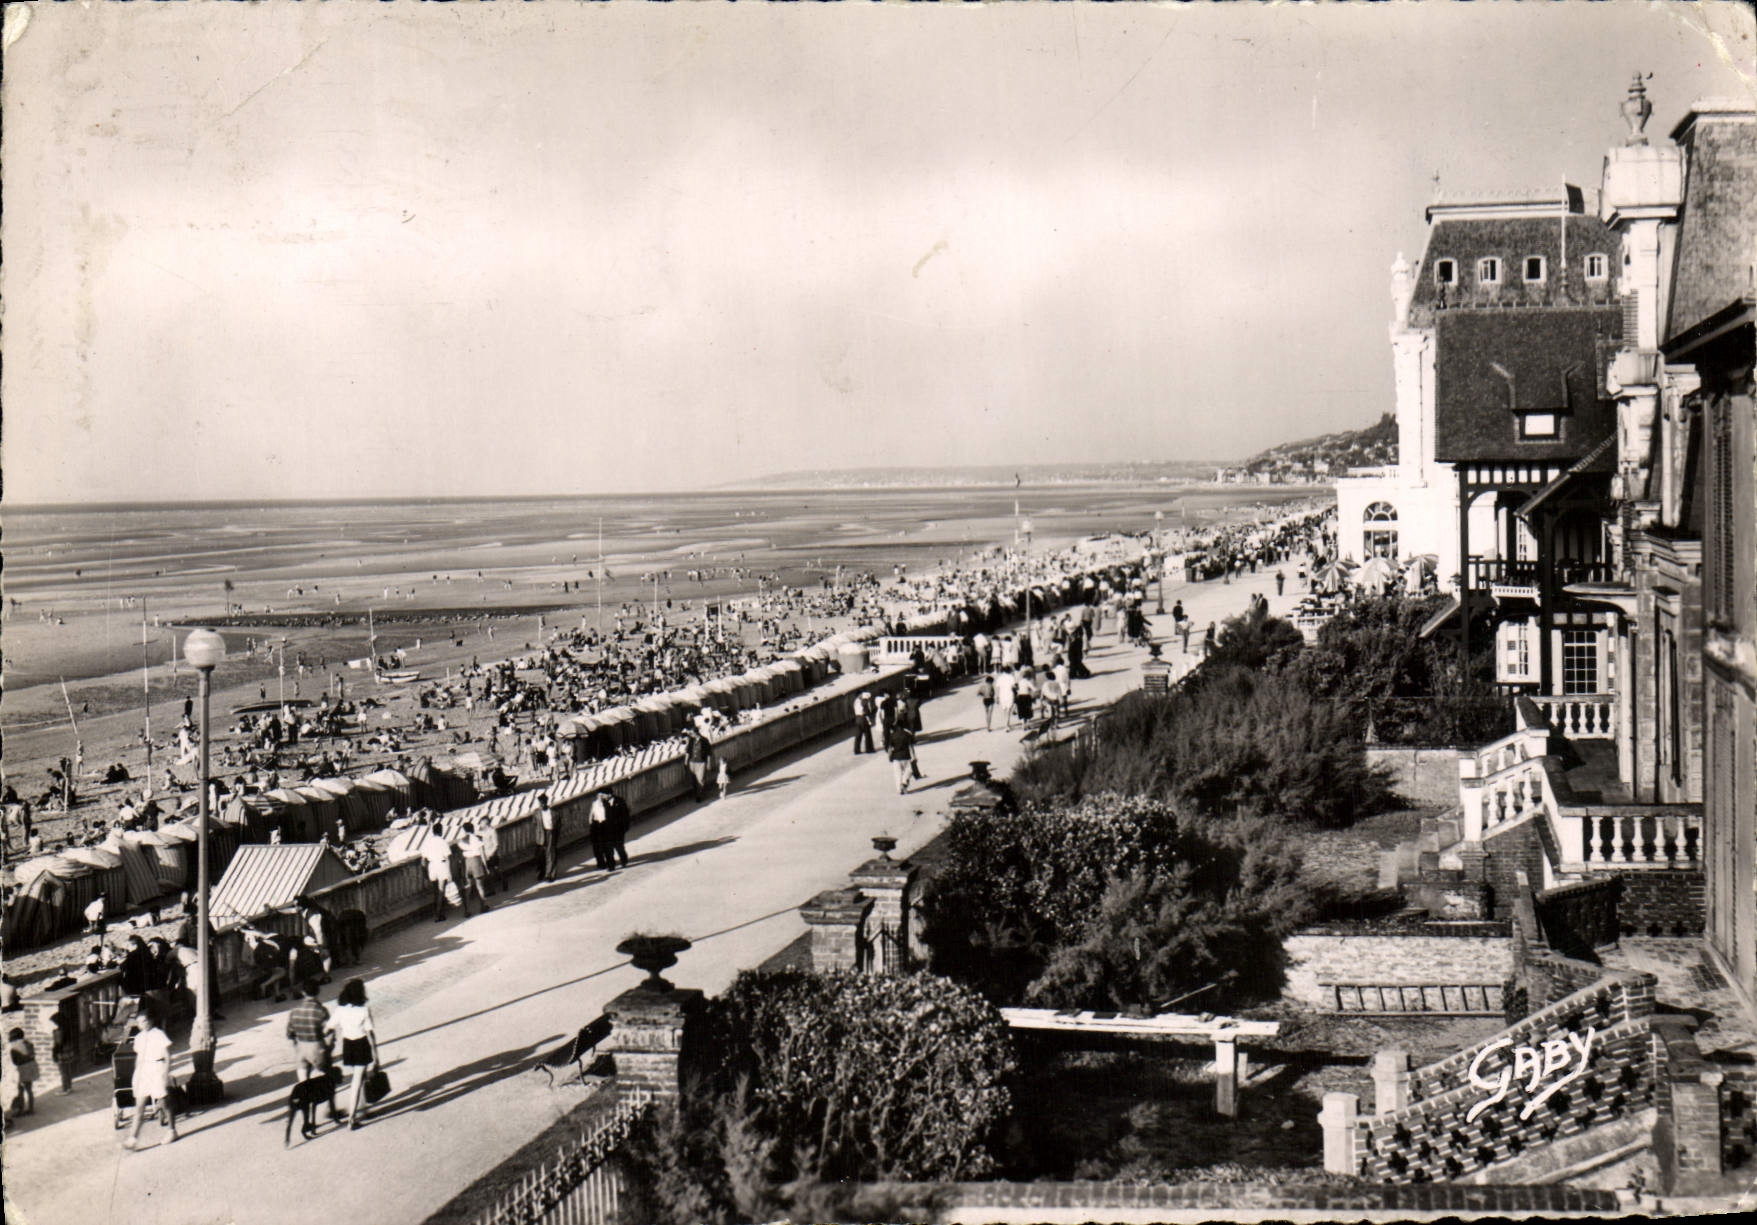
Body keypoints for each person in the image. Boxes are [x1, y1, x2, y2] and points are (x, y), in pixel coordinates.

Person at [285, 980, 340, 1127]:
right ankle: (331, 1110)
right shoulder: (320, 1011)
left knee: (304, 1085)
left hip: (301, 1048)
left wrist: (297, 1046)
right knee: (329, 1081)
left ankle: (307, 1120)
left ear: (303, 993)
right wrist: (329, 1048)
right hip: (317, 1047)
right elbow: (328, 1032)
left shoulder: (294, 1012)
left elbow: (290, 1033)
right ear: (317, 992)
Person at [124, 1005, 179, 1149]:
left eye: (145, 1021)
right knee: (139, 1106)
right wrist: (136, 1076)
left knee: (164, 1102)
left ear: (151, 1021)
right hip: (143, 1071)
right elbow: (139, 1058)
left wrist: (164, 1074)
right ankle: (133, 1138)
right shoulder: (138, 1038)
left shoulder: (159, 1034)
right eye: (140, 1022)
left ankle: (172, 1131)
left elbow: (167, 1056)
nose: (143, 1024)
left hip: (157, 1069)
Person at [331, 978, 381, 1130]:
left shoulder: (340, 1009)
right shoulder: (364, 1010)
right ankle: (352, 1118)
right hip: (361, 1045)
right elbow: (370, 1034)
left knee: (359, 1078)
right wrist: (377, 1056)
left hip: (348, 1046)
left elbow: (329, 1026)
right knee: (357, 1082)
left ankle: (363, 1110)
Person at [422, 824, 455, 921]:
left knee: (436, 891)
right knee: (441, 891)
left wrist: (424, 872)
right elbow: (448, 858)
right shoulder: (443, 842)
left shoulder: (427, 843)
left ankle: (437, 911)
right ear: (441, 831)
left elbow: (423, 860)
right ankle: (438, 913)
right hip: (441, 865)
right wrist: (449, 872)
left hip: (431, 866)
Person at [457, 823, 492, 912]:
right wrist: (486, 866)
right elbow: (482, 854)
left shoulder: (461, 841)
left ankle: (467, 910)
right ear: (472, 829)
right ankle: (483, 906)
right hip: (476, 861)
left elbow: (460, 856)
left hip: (466, 862)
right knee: (480, 886)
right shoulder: (477, 839)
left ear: (464, 830)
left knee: (467, 888)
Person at [7, 1027, 38, 1120]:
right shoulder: (28, 1043)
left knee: (21, 1089)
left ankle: (21, 1109)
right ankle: (31, 1107)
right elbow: (33, 1055)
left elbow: (15, 1062)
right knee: (29, 1089)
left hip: (22, 1069)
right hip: (31, 1067)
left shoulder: (14, 1048)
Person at [885, 720, 917, 795]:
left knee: (897, 774)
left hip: (896, 757)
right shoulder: (907, 734)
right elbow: (911, 746)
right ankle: (904, 781)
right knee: (909, 770)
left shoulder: (892, 735)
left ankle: (899, 790)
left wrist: (889, 756)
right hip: (906, 756)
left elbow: (889, 748)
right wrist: (914, 756)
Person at [588, 792, 614, 872]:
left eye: (602, 796)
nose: (600, 797)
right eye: (599, 796)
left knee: (607, 846)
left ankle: (610, 864)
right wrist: (591, 824)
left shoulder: (607, 804)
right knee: (597, 847)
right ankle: (601, 863)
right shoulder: (594, 804)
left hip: (605, 825)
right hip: (596, 825)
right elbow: (591, 814)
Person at [536, 793, 559, 881]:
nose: (541, 805)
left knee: (551, 853)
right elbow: (535, 824)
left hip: (551, 833)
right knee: (540, 855)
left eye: (542, 803)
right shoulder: (537, 813)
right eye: (540, 804)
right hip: (541, 834)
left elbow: (558, 825)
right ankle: (541, 873)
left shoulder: (554, 813)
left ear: (546, 803)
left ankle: (550, 874)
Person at [850, 691, 875, 756]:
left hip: (857, 718)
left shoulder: (855, 701)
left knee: (858, 735)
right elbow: (866, 711)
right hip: (863, 718)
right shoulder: (863, 701)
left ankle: (856, 750)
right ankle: (869, 749)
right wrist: (869, 720)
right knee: (867, 734)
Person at [995, 667, 1017, 731]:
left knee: (1004, 710)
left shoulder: (999, 678)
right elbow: (1014, 686)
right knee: (1009, 710)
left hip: (1002, 695)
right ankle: (1007, 724)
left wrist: (996, 696)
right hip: (1009, 694)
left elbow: (998, 688)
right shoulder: (1011, 677)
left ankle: (1007, 724)